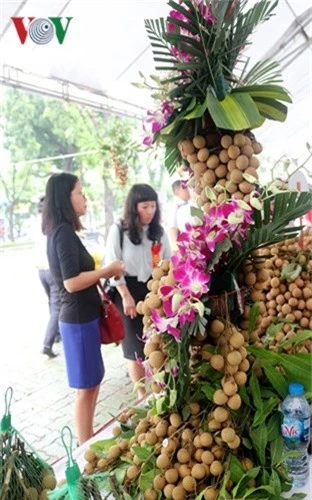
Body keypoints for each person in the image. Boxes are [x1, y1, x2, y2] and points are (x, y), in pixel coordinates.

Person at [42, 172, 124, 445]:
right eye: (80, 192)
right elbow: (71, 282)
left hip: (84, 318)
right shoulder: (62, 233)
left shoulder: (64, 231)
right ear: (66, 198)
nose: (84, 197)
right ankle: (84, 447)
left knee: (92, 383)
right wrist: (106, 271)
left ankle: (87, 442)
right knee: (85, 389)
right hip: (76, 321)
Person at [105, 184, 171, 398]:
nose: (150, 211)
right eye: (145, 206)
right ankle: (142, 396)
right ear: (134, 207)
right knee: (134, 347)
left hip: (153, 289)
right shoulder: (119, 230)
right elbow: (113, 266)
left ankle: (160, 389)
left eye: (153, 206)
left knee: (156, 342)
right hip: (127, 290)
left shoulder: (158, 232)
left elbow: (168, 262)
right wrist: (126, 297)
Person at [35, 196, 61, 358]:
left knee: (52, 305)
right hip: (51, 270)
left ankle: (57, 335)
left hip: (41, 270)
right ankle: (47, 343)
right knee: (56, 308)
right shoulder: (52, 223)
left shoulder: (35, 222)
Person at [167, 180, 192, 249]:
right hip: (187, 247)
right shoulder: (174, 207)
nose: (188, 189)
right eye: (185, 187)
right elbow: (172, 229)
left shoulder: (190, 204)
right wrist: (177, 248)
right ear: (177, 191)